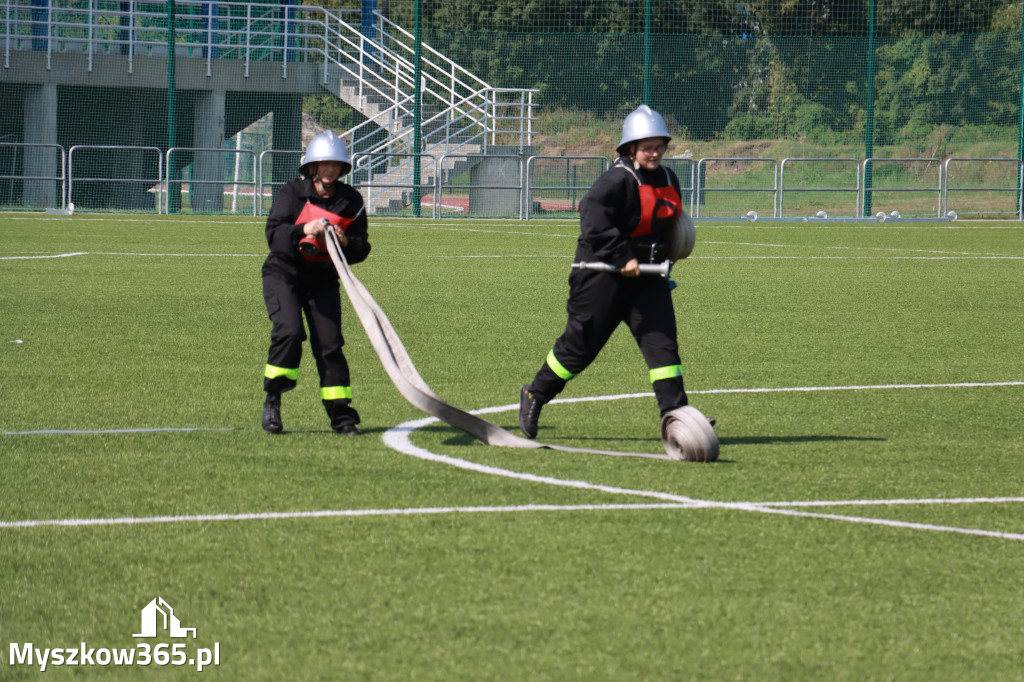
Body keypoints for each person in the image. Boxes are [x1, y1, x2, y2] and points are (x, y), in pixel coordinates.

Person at [518, 104, 706, 438]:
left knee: (663, 349)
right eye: (646, 146)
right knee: (578, 349)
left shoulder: (668, 178)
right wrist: (622, 257)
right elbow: (592, 218)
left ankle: (676, 417)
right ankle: (535, 394)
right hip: (601, 274)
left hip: (648, 278)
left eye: (659, 146)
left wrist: (668, 253)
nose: (654, 152)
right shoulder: (616, 179)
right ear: (630, 148)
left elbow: (669, 224)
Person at [260, 131, 371, 435]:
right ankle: (274, 398)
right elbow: (274, 235)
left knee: (330, 346)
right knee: (290, 332)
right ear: (312, 166)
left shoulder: (351, 201)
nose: (329, 170)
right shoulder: (291, 194)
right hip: (284, 275)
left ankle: (343, 417)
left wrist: (345, 240)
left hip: (323, 280)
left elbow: (362, 247)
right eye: (323, 164)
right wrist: (303, 229)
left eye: (335, 165)